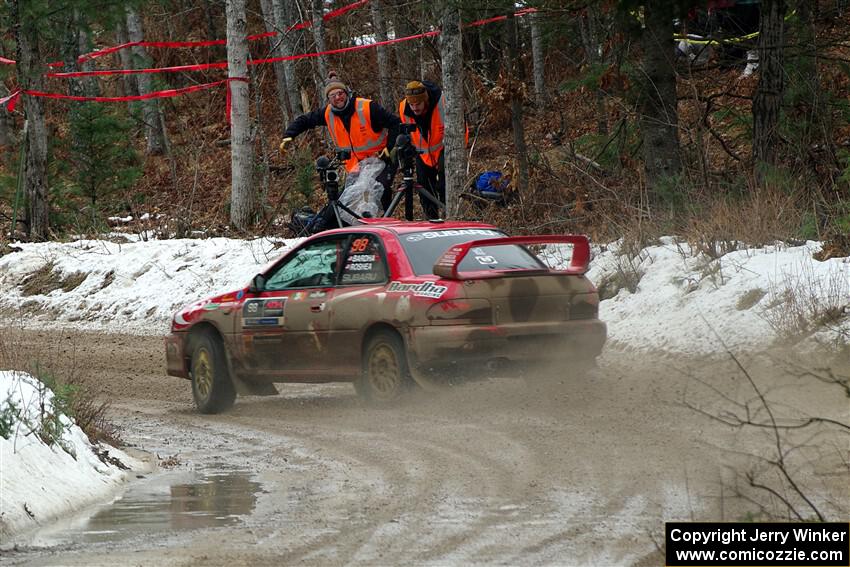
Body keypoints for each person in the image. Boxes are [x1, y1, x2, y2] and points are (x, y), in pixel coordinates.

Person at [280, 72, 400, 213]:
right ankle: (346, 228)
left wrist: (389, 147)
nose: (338, 98)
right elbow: (305, 120)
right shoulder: (327, 114)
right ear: (328, 99)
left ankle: (387, 225)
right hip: (356, 167)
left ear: (346, 92)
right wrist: (289, 135)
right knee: (346, 200)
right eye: (333, 95)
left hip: (381, 160)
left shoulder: (367, 107)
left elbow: (395, 123)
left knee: (379, 190)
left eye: (340, 93)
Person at [397, 80, 466, 219]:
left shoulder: (444, 102)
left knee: (444, 186)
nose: (414, 108)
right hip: (422, 153)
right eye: (412, 104)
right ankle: (432, 220)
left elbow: (461, 128)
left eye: (418, 104)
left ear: (426, 100)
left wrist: (458, 150)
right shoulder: (403, 108)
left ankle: (451, 217)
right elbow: (407, 131)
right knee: (424, 189)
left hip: (445, 149)